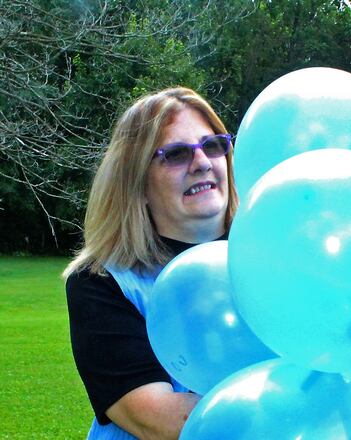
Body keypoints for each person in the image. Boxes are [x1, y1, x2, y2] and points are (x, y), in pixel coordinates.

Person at [63, 87, 239, 439]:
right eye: (176, 154)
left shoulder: (274, 258)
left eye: (212, 145)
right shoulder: (100, 281)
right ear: (138, 184)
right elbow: (158, 420)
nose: (202, 162)